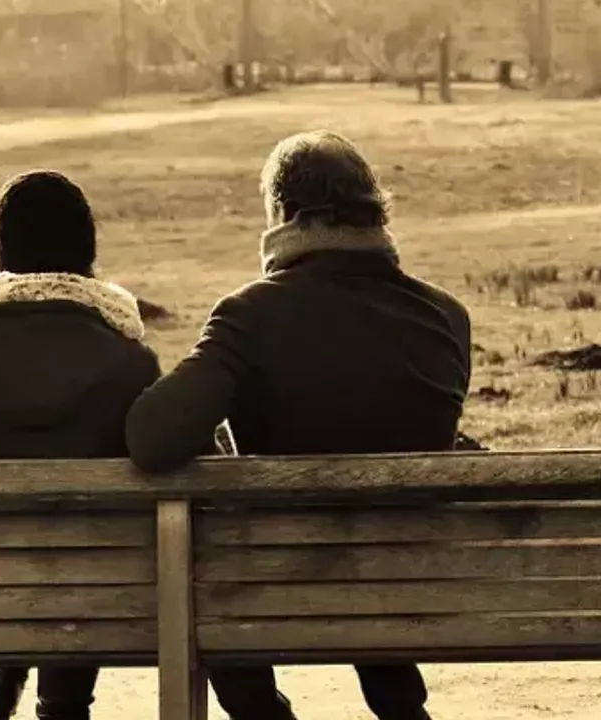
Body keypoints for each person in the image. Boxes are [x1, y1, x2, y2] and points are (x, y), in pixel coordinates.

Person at [0, 169, 297, 720]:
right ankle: (59, 702)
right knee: (87, 552)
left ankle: (7, 666)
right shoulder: (128, 360)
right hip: (101, 589)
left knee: (43, 554)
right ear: (88, 253)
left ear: (1, 253)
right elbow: (183, 473)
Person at [124, 130, 472, 720]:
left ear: (286, 215)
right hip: (412, 576)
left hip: (278, 577)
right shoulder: (447, 316)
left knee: (203, 580)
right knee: (370, 521)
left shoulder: (250, 314)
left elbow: (151, 437)